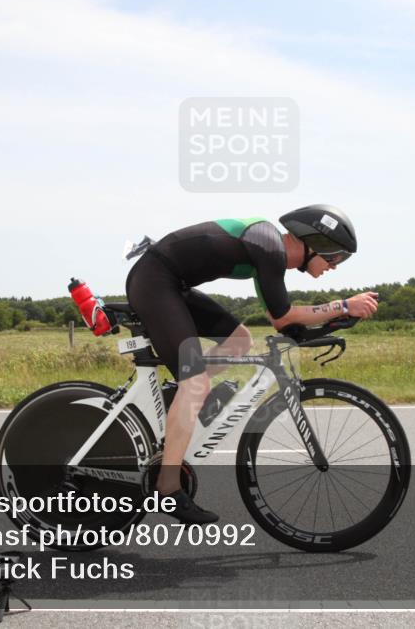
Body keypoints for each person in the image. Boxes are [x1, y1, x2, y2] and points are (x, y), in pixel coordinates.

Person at [125, 204, 379, 523]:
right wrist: (344, 305)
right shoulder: (269, 246)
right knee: (198, 382)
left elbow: (281, 321)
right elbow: (285, 316)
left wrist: (331, 320)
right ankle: (168, 488)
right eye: (335, 256)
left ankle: (179, 397)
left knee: (239, 341)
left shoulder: (268, 250)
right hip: (155, 282)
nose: (335, 265)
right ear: (316, 241)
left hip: (171, 284)